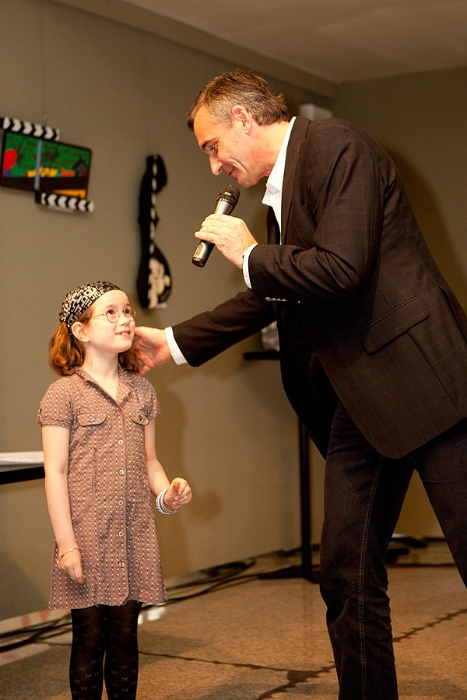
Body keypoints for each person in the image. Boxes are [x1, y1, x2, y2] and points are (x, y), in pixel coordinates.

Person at [134, 70, 467, 699]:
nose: (214, 166)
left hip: (427, 383)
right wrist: (173, 342)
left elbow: (342, 268)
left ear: (242, 119)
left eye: (212, 147)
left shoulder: (337, 146)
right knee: (344, 572)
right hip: (361, 401)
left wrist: (247, 252)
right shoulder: (280, 195)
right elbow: (276, 292)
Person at [38, 280, 192, 700]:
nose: (125, 319)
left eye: (127, 311)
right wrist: (67, 546)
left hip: (134, 534)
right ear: (81, 330)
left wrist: (166, 495)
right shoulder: (63, 395)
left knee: (126, 638)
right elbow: (55, 473)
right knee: (89, 639)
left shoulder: (142, 391)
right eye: (111, 313)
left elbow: (150, 462)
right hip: (86, 537)